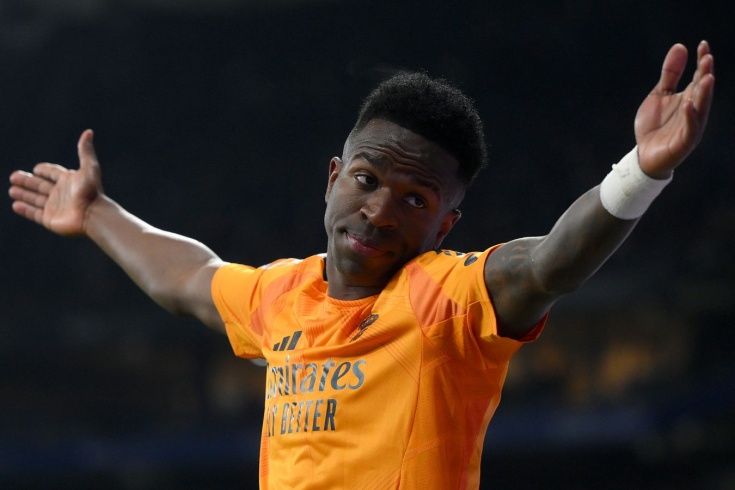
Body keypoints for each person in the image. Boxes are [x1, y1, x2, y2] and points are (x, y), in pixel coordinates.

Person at [8, 41, 714, 489]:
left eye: (415, 199)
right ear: (333, 178)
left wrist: (641, 171)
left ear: (445, 225)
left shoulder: (445, 300)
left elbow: (546, 265)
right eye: (367, 180)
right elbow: (190, 278)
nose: (379, 211)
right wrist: (96, 213)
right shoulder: (281, 295)